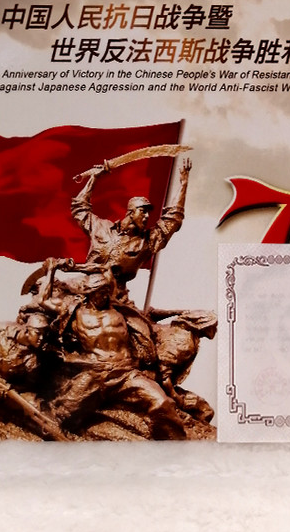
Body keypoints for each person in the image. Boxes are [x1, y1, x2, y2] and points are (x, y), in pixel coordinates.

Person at [49, 272, 186, 440]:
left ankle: (175, 447)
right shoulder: (75, 313)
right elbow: (43, 302)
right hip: (95, 373)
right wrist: (51, 271)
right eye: (100, 292)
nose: (104, 296)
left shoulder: (121, 312)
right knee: (64, 413)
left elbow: (145, 328)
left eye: (107, 291)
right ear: (89, 292)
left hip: (126, 373)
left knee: (162, 403)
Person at [70, 158, 191, 292]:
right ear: (131, 213)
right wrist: (94, 178)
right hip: (84, 289)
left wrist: (183, 184)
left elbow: (173, 218)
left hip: (113, 297)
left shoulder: (148, 241)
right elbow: (79, 208)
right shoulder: (101, 227)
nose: (147, 216)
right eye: (143, 211)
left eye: (148, 213)